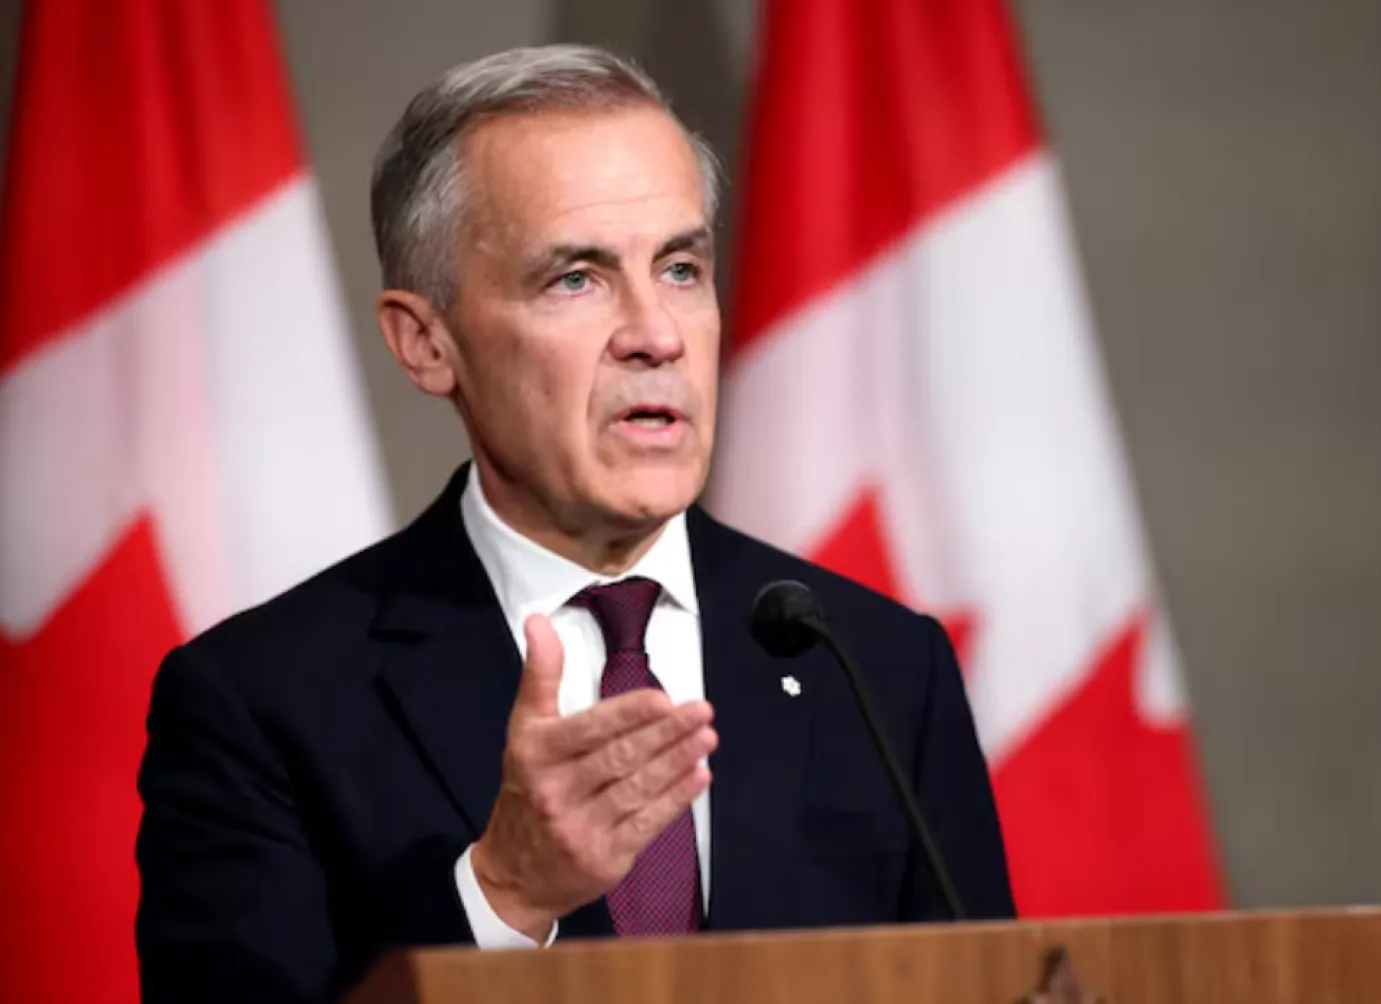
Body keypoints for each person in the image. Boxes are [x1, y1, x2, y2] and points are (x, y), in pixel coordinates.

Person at [134, 44, 1016, 1003]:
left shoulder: (879, 668)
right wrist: (505, 895)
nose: (658, 334)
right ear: (427, 343)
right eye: (576, 279)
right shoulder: (260, 704)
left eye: (681, 268)